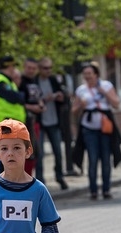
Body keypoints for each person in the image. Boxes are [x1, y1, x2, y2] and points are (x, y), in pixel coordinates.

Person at [71, 62, 121, 200]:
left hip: (105, 128)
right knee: (92, 159)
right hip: (89, 128)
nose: (87, 76)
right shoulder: (81, 90)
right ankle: (93, 190)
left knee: (106, 159)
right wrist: (80, 106)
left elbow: (116, 104)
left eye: (89, 73)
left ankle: (106, 189)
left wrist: (104, 93)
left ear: (96, 74)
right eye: (85, 74)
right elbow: (74, 110)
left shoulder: (106, 86)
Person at [36, 57, 69, 190]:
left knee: (58, 152)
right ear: (40, 69)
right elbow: (32, 99)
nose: (48, 71)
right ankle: (40, 180)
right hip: (40, 121)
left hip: (54, 121)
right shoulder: (35, 81)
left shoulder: (54, 80)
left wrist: (61, 97)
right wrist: (45, 99)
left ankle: (59, 176)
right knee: (39, 153)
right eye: (45, 68)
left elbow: (64, 97)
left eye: (50, 68)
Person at [19, 58, 45, 179]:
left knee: (36, 153)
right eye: (29, 68)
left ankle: (34, 180)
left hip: (36, 121)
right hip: (24, 122)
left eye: (34, 68)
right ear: (24, 67)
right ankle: (24, 180)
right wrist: (32, 107)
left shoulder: (35, 81)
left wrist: (41, 105)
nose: (31, 70)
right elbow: (18, 102)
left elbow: (39, 97)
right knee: (26, 154)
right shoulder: (19, 81)